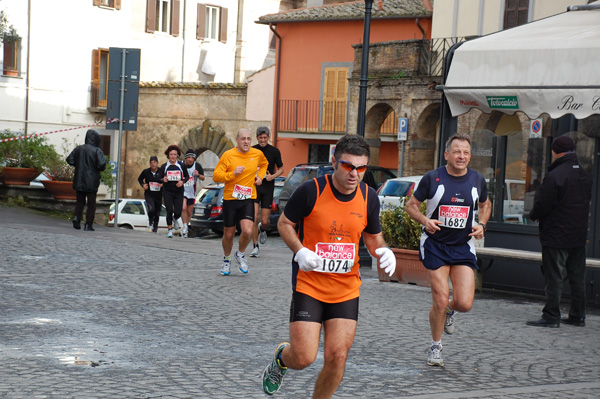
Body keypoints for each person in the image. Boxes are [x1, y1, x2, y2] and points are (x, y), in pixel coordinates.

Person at [262, 134, 396, 397]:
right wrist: (299, 251)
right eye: (348, 166)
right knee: (303, 357)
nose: (354, 174)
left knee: (337, 356)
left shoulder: (369, 197)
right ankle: (281, 358)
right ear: (335, 162)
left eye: (361, 168)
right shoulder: (311, 190)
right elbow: (284, 224)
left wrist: (383, 250)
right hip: (310, 285)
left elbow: (372, 235)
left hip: (346, 288)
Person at [405, 133, 491, 367]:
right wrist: (425, 221)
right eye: (456, 151)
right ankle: (436, 347)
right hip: (435, 246)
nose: (461, 156)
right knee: (440, 299)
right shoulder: (432, 178)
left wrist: (482, 224)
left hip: (462, 247)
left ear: (470, 156)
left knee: (464, 303)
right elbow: (411, 206)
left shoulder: (477, 180)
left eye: (465, 152)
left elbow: (485, 204)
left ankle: (450, 312)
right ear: (447, 155)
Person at [526, 135, 592, 328]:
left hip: (556, 235)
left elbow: (542, 203)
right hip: (578, 234)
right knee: (577, 277)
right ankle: (578, 315)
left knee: (554, 276)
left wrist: (533, 215)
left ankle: (551, 315)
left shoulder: (555, 175)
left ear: (555, 152)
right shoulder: (583, 173)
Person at [212, 128, 269, 275]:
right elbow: (216, 176)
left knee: (248, 230)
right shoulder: (228, 155)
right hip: (231, 199)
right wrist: (233, 173)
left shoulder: (257, 154)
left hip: (248, 198)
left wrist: (260, 177)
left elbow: (264, 164)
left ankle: (240, 253)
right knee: (229, 234)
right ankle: (226, 259)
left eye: (248, 139)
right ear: (237, 140)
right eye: (243, 139)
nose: (246, 142)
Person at [250, 126, 284, 257]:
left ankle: (262, 229)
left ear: (268, 138)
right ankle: (255, 246)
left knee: (264, 221)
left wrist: (272, 176)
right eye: (260, 138)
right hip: (254, 186)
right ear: (257, 138)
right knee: (254, 217)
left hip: (268, 187)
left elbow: (281, 169)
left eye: (265, 138)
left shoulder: (274, 151)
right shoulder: (252, 150)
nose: (263, 140)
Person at [66, 129, 107, 231]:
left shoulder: (78, 149)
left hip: (79, 179)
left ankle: (76, 218)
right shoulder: (97, 150)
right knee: (91, 204)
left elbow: (69, 159)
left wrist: (79, 164)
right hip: (92, 181)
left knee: (80, 201)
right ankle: (88, 224)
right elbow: (102, 165)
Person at [158, 145, 189, 238]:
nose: (173, 156)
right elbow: (158, 178)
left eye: (175, 154)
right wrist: (163, 179)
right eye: (171, 154)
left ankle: (175, 219)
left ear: (177, 155)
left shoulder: (181, 165)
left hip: (179, 192)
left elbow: (187, 177)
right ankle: (170, 230)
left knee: (178, 212)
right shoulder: (164, 166)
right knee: (169, 210)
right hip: (168, 191)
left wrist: (182, 182)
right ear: (168, 155)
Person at [181, 149, 205, 238]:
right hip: (182, 190)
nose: (191, 159)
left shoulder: (197, 165)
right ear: (186, 158)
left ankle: (185, 229)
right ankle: (184, 226)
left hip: (192, 191)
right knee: (183, 207)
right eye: (189, 157)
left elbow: (203, 178)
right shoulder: (181, 165)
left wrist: (198, 175)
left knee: (189, 212)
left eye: (192, 158)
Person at [137, 155, 163, 233]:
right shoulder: (146, 172)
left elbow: (166, 180)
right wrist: (143, 185)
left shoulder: (161, 171)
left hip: (158, 195)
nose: (153, 164)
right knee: (151, 209)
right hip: (149, 194)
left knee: (157, 213)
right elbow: (140, 178)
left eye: (154, 162)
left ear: (157, 163)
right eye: (151, 162)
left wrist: (162, 185)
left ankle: (155, 227)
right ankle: (150, 223)